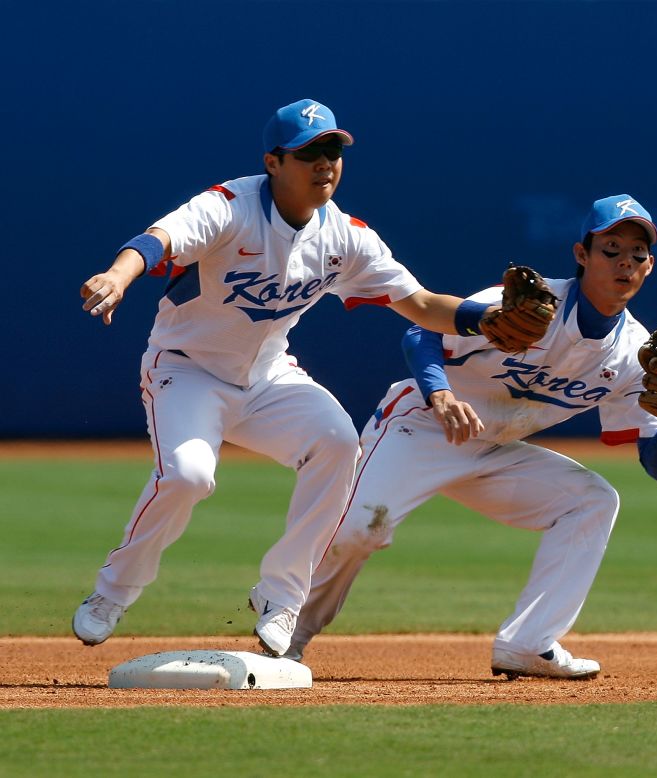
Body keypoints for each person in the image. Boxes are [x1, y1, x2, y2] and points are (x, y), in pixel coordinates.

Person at [73, 99, 528, 657]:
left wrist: (482, 319)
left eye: (334, 150)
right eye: (310, 152)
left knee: (338, 443)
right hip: (186, 370)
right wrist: (118, 277)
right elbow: (158, 240)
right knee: (189, 477)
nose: (325, 163)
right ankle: (112, 591)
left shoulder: (346, 236)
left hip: (268, 378)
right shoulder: (229, 206)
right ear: (273, 162)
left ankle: (282, 596)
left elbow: (421, 303)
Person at [288, 194, 657, 679]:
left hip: (494, 449)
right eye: (611, 249)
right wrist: (440, 395)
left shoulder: (634, 353)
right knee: (362, 530)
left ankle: (529, 644)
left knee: (593, 500)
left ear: (650, 266)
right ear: (582, 255)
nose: (624, 263)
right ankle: (289, 638)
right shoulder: (534, 305)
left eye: (636, 255)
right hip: (421, 425)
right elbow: (422, 334)